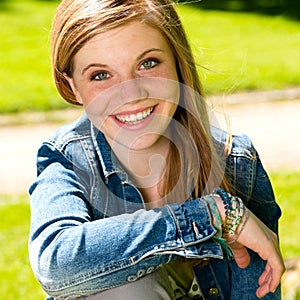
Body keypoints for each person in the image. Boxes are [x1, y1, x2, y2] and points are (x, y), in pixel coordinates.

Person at [28, 0, 285, 299]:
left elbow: (257, 291)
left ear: (177, 60)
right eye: (100, 75)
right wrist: (210, 216)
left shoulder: (236, 162)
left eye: (147, 63)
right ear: (72, 86)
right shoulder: (69, 159)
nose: (131, 94)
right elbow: (56, 265)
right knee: (128, 287)